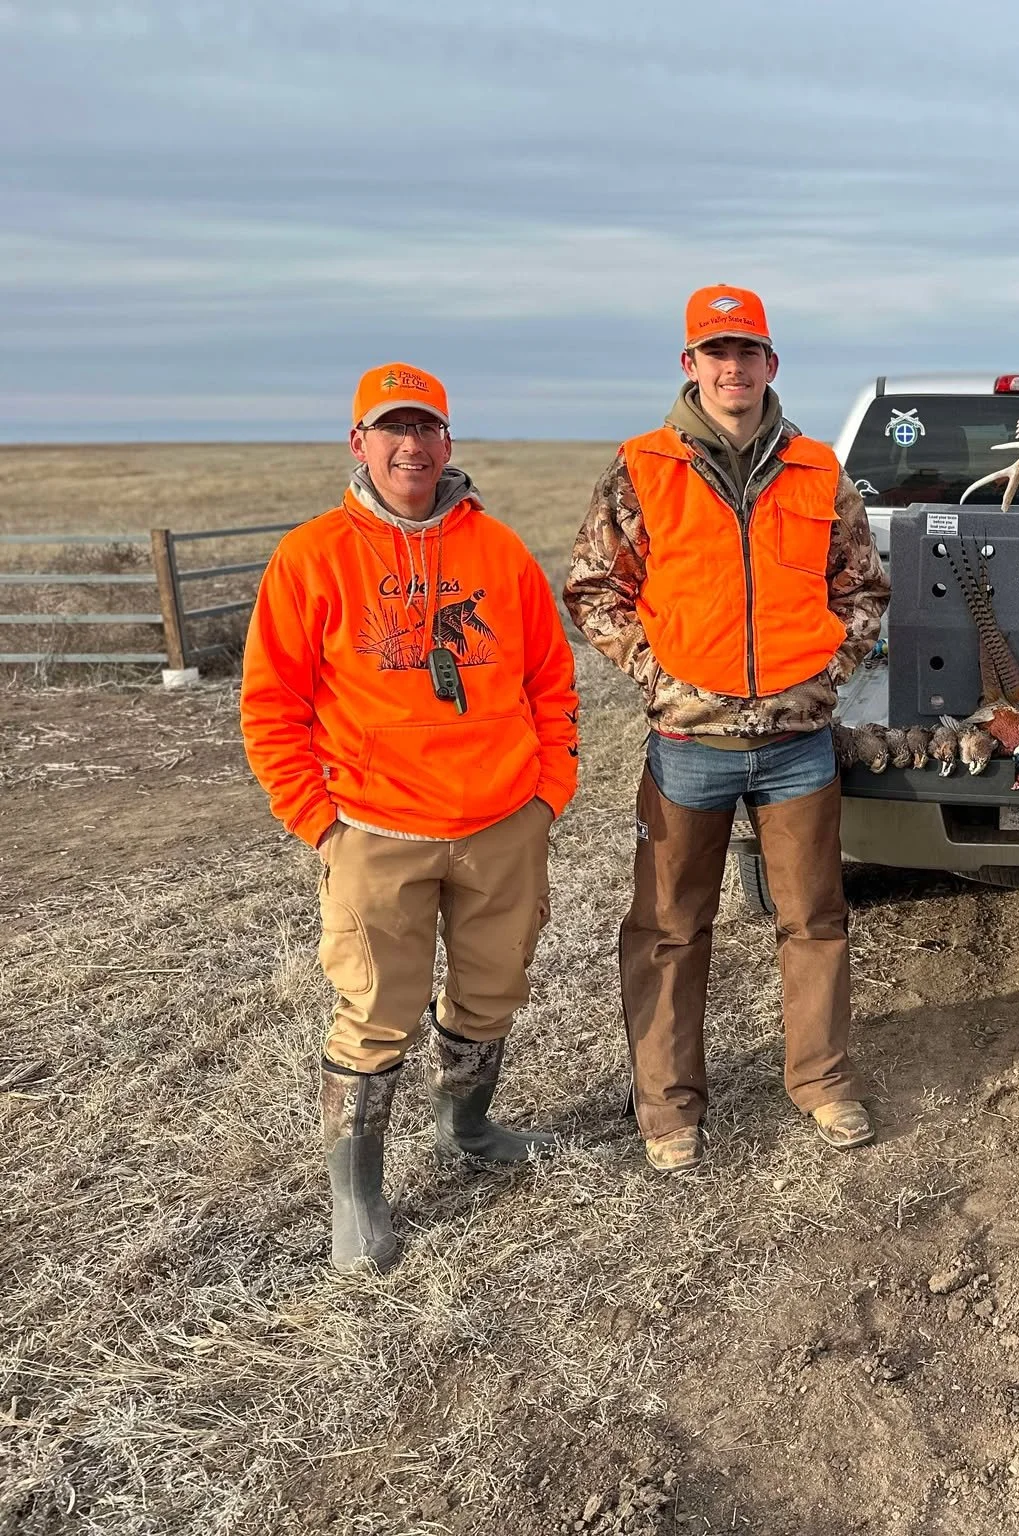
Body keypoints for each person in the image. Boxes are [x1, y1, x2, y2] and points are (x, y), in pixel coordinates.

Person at [242, 363, 580, 1272]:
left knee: (492, 988)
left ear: (448, 443)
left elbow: (551, 678)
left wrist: (551, 792)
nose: (410, 445)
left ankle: (465, 1130)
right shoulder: (313, 555)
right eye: (391, 428)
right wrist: (320, 822)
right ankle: (357, 1195)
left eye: (426, 428)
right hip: (375, 829)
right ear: (359, 443)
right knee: (375, 1009)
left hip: (504, 820)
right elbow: (271, 707)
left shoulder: (498, 552)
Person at [563, 285, 889, 1172]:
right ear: (690, 366)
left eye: (747, 351)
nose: (732, 367)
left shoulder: (820, 470)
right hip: (688, 744)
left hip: (798, 745)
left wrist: (825, 679)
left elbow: (862, 590)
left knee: (814, 920)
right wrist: (657, 675)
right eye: (716, 352)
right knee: (669, 928)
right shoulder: (642, 468)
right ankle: (669, 1110)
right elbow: (594, 587)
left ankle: (822, 1083)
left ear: (771, 365)